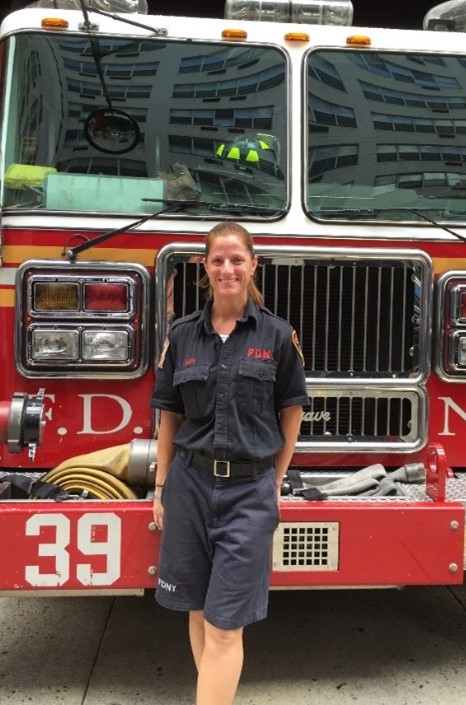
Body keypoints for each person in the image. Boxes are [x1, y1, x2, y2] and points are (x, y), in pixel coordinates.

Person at [151, 220, 309, 705]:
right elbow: (168, 420)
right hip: (189, 486)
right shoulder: (180, 337)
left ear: (252, 264)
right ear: (204, 266)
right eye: (217, 259)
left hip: (248, 491)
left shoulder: (279, 337)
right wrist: (160, 490)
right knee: (196, 612)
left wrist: (274, 482)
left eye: (236, 259)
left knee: (223, 627)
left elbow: (293, 414)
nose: (227, 269)